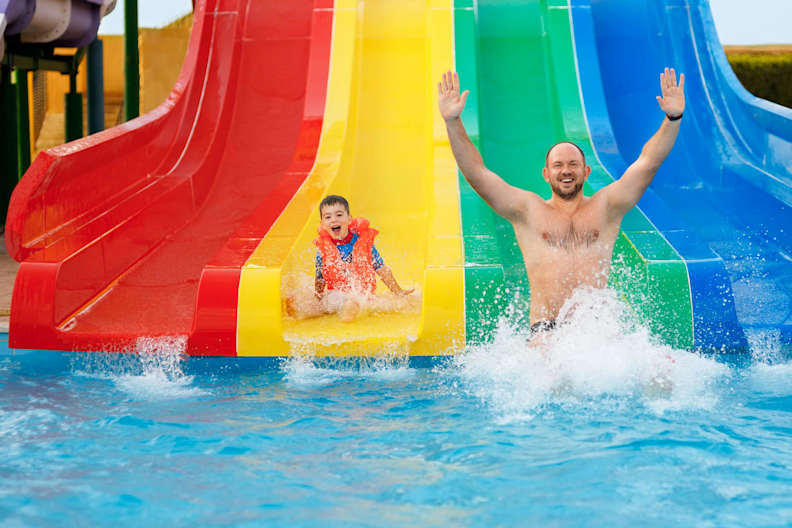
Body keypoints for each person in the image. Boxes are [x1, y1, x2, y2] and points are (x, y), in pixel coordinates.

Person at [437, 68, 685, 338]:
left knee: (662, 371)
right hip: (546, 329)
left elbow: (648, 163)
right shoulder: (528, 210)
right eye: (557, 165)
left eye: (573, 164)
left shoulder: (606, 207)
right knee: (552, 375)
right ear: (546, 174)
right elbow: (477, 175)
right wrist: (453, 122)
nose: (566, 170)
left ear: (586, 172)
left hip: (595, 329)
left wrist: (673, 118)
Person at [285, 195, 414, 322]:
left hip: (361, 295)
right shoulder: (323, 249)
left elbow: (381, 268)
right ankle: (308, 309)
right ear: (323, 224)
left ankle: (347, 312)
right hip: (335, 295)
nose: (334, 220)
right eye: (328, 217)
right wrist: (318, 298)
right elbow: (320, 277)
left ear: (349, 219)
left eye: (339, 215)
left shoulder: (363, 242)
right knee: (311, 304)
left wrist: (398, 291)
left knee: (372, 302)